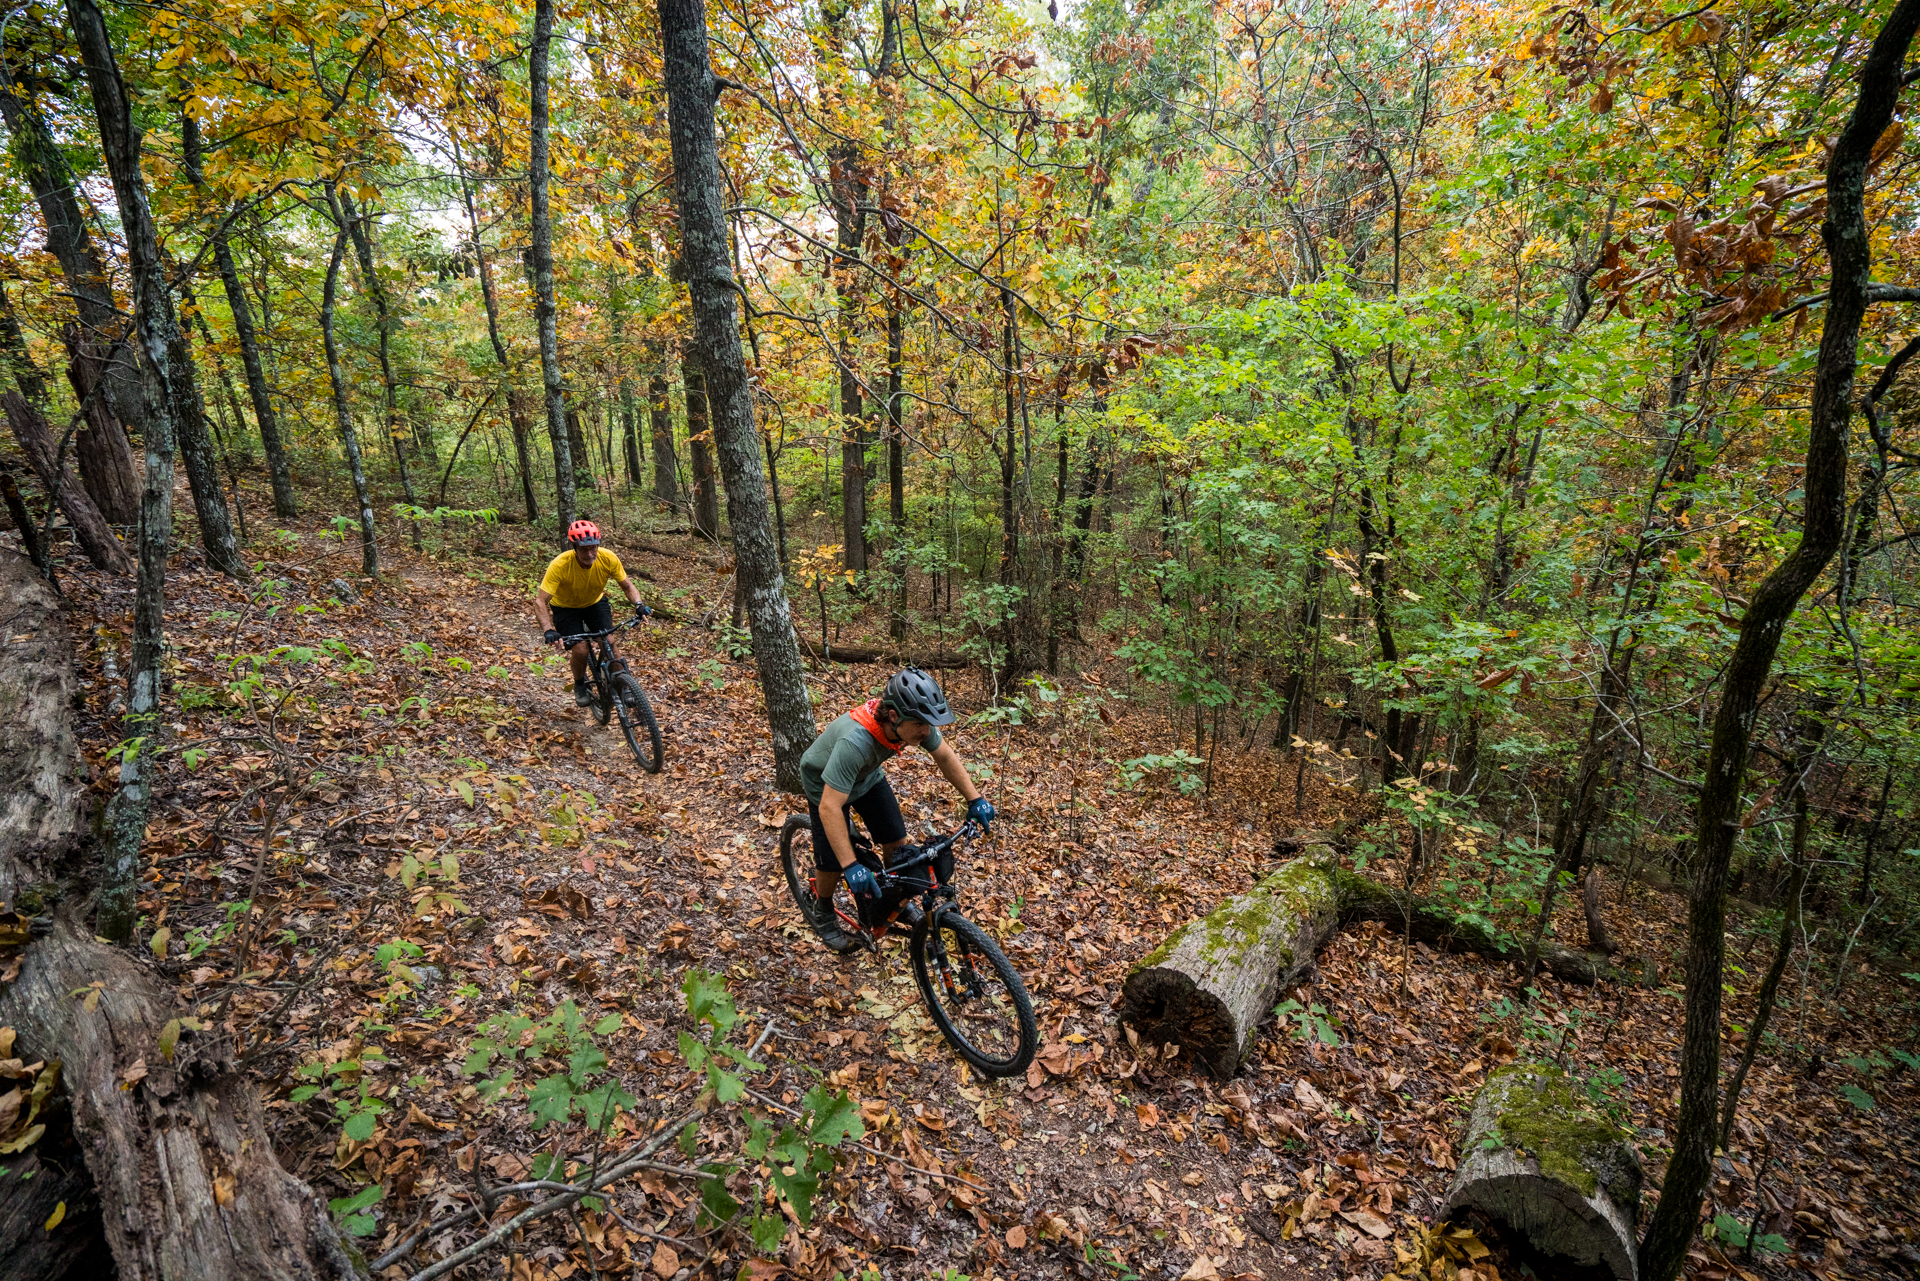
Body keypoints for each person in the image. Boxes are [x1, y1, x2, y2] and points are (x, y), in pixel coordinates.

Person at [799, 667, 995, 952]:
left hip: (866, 776)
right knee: (832, 860)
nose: (927, 731)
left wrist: (975, 799)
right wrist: (851, 867)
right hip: (823, 785)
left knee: (895, 836)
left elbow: (944, 755)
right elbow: (830, 806)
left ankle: (893, 899)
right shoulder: (855, 743)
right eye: (921, 724)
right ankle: (822, 908)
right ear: (893, 716)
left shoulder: (912, 722)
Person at [534, 520, 650, 706]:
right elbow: (540, 601)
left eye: (593, 548)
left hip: (594, 603)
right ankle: (580, 684)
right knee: (580, 649)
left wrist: (639, 604)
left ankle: (623, 685)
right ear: (574, 547)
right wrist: (548, 629)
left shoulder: (608, 558)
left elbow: (627, 586)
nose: (590, 554)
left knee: (609, 643)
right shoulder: (560, 565)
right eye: (584, 549)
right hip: (566, 608)